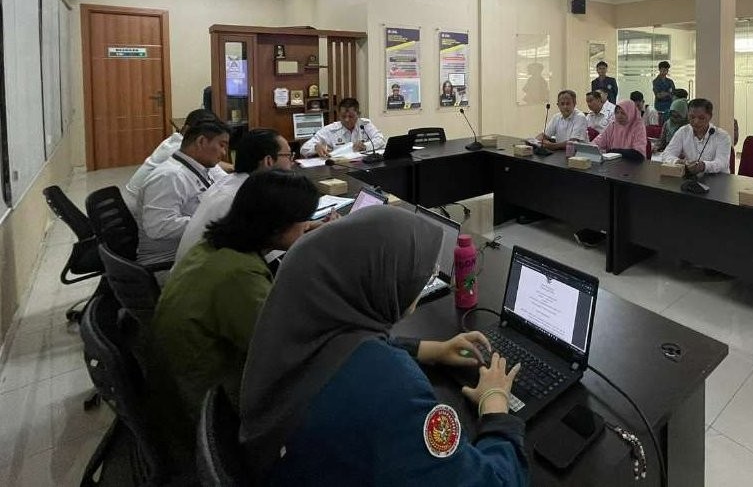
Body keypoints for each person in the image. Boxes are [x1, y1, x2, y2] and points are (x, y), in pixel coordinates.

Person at [240, 206, 527, 486]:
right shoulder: (391, 387)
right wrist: (495, 409)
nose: (425, 278)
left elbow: (349, 345)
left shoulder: (299, 316)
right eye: (420, 272)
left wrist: (432, 350)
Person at [146, 170, 319, 466]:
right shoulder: (238, 277)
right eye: (301, 220)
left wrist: (305, 234)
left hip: (180, 391)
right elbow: (288, 352)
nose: (305, 225)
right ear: (275, 225)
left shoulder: (214, 247)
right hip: (213, 414)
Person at [174, 128, 294, 263]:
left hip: (198, 270)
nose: (292, 162)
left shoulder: (231, 182)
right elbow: (276, 240)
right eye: (288, 156)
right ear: (268, 161)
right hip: (209, 277)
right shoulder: (244, 197)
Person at [134, 120, 231, 266]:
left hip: (192, 250)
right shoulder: (170, 176)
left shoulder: (198, 168)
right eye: (221, 145)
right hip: (168, 261)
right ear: (201, 141)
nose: (223, 153)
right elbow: (159, 227)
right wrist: (213, 221)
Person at [123, 108, 222, 209]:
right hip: (136, 212)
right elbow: (220, 175)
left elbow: (215, 167)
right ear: (187, 130)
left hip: (143, 202)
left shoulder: (175, 141)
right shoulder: (180, 149)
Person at [662, 98, 732, 176]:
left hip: (718, 180)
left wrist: (703, 166)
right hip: (691, 179)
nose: (696, 121)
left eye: (701, 118)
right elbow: (666, 154)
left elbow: (722, 163)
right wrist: (677, 162)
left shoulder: (722, 136)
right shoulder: (683, 131)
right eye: (692, 117)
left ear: (710, 117)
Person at [301, 98, 387, 158]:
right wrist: (316, 147)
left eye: (351, 116)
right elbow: (304, 149)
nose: (347, 119)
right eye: (343, 116)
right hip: (339, 168)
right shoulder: (330, 130)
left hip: (362, 165)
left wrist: (365, 146)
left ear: (358, 114)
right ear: (338, 114)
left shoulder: (365, 124)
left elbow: (381, 140)